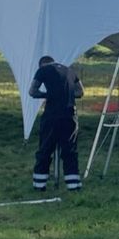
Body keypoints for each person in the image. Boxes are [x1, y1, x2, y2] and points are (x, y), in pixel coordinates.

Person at [29, 54, 83, 192]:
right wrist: (65, 94)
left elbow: (32, 91)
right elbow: (80, 92)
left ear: (42, 64)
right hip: (70, 116)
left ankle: (39, 185)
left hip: (52, 116)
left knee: (45, 150)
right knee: (70, 152)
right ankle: (74, 186)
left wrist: (49, 95)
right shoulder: (70, 70)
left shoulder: (43, 70)